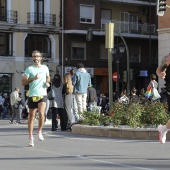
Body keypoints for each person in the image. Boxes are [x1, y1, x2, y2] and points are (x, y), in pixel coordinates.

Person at [21, 50, 50, 147]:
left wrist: (47, 82)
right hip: (32, 94)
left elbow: (48, 77)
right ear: (32, 58)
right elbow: (23, 82)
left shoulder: (45, 68)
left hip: (42, 94)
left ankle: (39, 131)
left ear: (41, 58)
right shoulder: (29, 69)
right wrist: (33, 78)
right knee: (31, 116)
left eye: (37, 56)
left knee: (41, 113)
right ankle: (30, 137)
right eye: (34, 56)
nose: (36, 58)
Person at [156, 54, 170, 144]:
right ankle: (164, 129)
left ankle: (164, 128)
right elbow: (159, 70)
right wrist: (160, 74)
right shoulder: (168, 58)